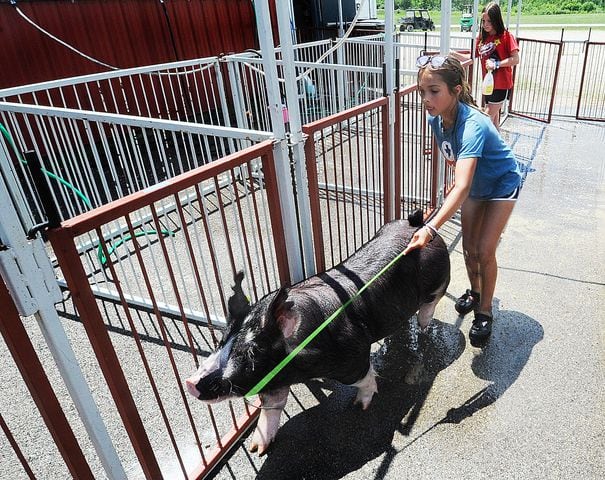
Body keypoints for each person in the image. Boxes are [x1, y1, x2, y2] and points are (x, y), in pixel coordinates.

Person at [403, 54, 521, 346]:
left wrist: (430, 227)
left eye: (434, 91)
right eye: (422, 91)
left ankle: (485, 311)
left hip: (501, 183)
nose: (426, 99)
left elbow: (463, 184)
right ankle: (475, 291)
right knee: (468, 250)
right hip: (475, 186)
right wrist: (454, 185)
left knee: (484, 250)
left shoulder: (474, 124)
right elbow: (456, 162)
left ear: (456, 91)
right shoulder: (436, 121)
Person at [476, 1, 520, 130]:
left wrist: (497, 64)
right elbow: (472, 56)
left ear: (496, 20)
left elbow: (515, 59)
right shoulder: (482, 38)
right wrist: (451, 53)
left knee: (485, 119)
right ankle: (499, 149)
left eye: (489, 21)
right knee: (493, 124)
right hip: (488, 84)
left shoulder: (506, 36)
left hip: (501, 84)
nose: (486, 24)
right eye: (483, 21)